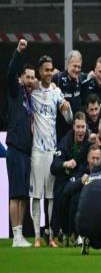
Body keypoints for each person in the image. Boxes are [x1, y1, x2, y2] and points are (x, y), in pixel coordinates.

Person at [31, 54, 72, 248]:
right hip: (37, 150)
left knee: (51, 196)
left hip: (52, 151)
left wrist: (67, 108)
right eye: (46, 70)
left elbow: (69, 119)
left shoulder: (56, 92)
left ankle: (52, 236)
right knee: (36, 195)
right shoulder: (32, 91)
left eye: (51, 69)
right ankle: (36, 237)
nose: (49, 73)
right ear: (40, 72)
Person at [6, 39, 35, 248]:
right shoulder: (16, 92)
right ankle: (16, 235)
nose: (31, 80)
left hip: (26, 152)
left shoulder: (30, 98)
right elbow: (10, 72)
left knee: (24, 195)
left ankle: (20, 234)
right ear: (21, 78)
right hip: (15, 149)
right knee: (16, 194)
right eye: (28, 77)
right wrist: (18, 51)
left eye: (33, 77)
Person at [50, 112, 90, 243]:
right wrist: (65, 164)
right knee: (62, 196)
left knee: (77, 197)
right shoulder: (65, 142)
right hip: (65, 181)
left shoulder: (89, 143)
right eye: (78, 127)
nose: (81, 130)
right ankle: (58, 232)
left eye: (83, 127)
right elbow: (53, 167)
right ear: (73, 127)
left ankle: (77, 234)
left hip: (81, 180)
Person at [52, 50, 87, 141]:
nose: (77, 69)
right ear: (68, 64)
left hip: (77, 131)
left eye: (79, 67)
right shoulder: (57, 78)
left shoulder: (82, 78)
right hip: (60, 131)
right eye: (74, 66)